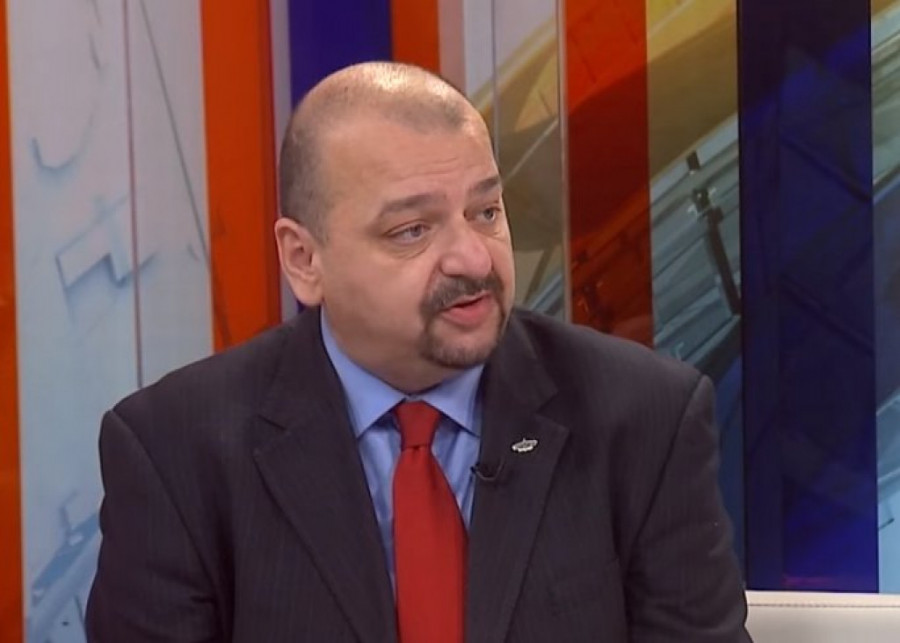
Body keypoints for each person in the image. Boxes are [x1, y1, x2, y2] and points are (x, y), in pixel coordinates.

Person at [85, 61, 750, 642]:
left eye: (486, 212)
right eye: (412, 230)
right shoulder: (177, 450)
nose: (473, 258)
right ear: (305, 259)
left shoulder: (643, 417)